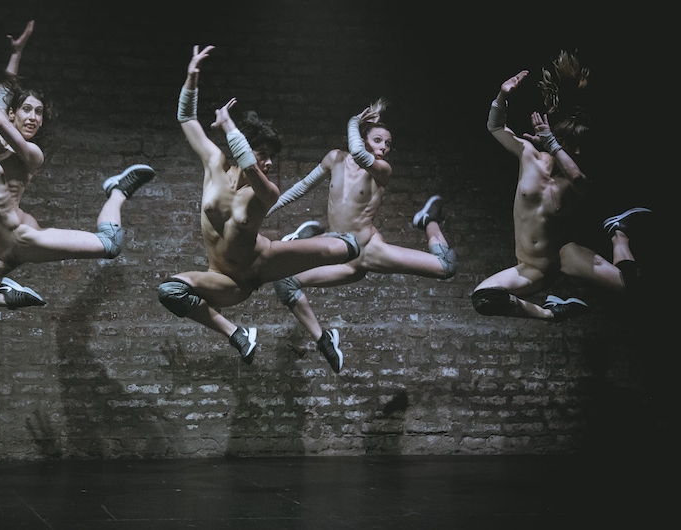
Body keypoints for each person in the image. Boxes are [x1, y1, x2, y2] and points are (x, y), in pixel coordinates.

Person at [0, 21, 155, 309]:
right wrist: (16, 52)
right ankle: (5, 299)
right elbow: (5, 92)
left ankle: (117, 192)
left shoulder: (31, 153)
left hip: (21, 239)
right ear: (15, 112)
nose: (33, 118)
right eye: (27, 109)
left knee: (110, 245)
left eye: (39, 113)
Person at [157, 45, 361, 364]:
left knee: (350, 248)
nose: (267, 162)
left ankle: (300, 245)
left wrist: (230, 128)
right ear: (248, 149)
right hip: (228, 281)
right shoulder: (214, 163)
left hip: (266, 260)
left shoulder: (264, 192)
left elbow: (250, 168)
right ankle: (238, 335)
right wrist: (191, 79)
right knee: (170, 292)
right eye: (262, 154)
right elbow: (186, 117)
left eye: (270, 157)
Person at [267, 100, 456, 373]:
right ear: (366, 138)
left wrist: (353, 121)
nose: (384, 148)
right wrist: (268, 209)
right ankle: (325, 341)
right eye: (378, 140)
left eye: (388, 144)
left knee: (446, 267)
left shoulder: (381, 170)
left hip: (367, 249)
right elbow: (302, 187)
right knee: (285, 284)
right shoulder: (335, 158)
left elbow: (357, 150)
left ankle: (429, 221)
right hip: (342, 252)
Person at [471, 50, 651, 321]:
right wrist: (503, 94)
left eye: (578, 152)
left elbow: (579, 181)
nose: (576, 154)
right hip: (532, 266)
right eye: (571, 148)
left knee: (632, 288)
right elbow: (495, 127)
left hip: (564, 256)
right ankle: (552, 312)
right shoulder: (528, 155)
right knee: (484, 298)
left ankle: (619, 234)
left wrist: (553, 145)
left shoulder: (577, 178)